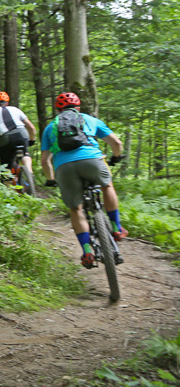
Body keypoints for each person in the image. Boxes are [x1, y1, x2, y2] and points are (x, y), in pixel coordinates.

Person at [41, 92, 127, 268]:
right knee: (107, 185)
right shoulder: (90, 119)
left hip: (64, 167)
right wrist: (116, 158)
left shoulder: (50, 127)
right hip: (92, 160)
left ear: (58, 109)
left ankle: (87, 250)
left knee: (75, 208)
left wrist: (50, 179)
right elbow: (116, 143)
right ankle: (116, 227)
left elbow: (45, 160)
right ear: (78, 107)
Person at [0, 91, 37, 175]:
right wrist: (32, 140)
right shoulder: (16, 109)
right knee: (25, 154)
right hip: (22, 133)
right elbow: (31, 127)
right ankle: (29, 172)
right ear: (7, 102)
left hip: (6, 137)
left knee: (5, 168)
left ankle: (8, 183)